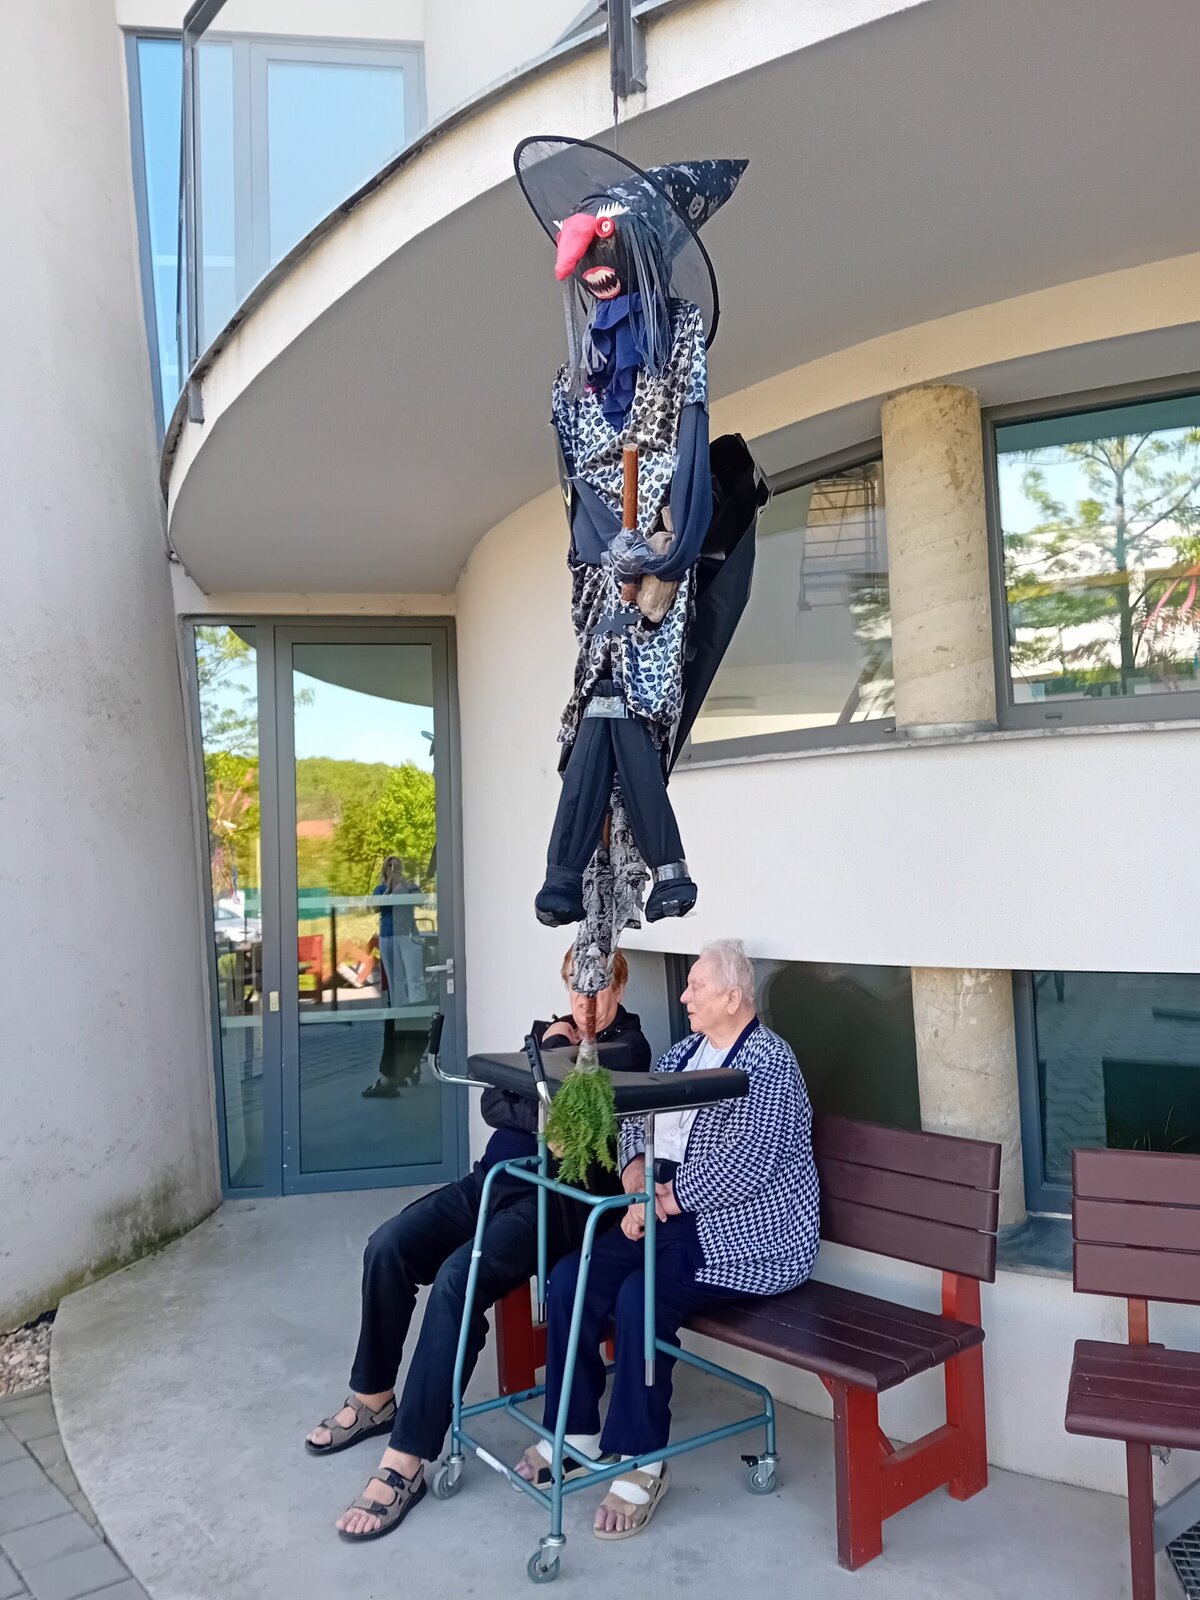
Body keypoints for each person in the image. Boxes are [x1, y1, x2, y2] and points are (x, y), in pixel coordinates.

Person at [306, 947, 650, 1543]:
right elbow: (494, 1101)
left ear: (618, 988)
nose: (585, 1003)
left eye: (597, 990)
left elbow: (579, 1113)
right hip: (489, 1182)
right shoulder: (547, 1033)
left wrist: (544, 1073)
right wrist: (544, 1074)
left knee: (457, 1282)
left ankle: (406, 1459)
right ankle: (373, 1396)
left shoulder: (630, 1048)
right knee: (387, 1247)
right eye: (576, 989)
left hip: (555, 1202)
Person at [516, 939, 819, 1541]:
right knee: (571, 1277)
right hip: (668, 1213)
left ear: (733, 997)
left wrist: (659, 1203)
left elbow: (748, 1164)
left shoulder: (771, 1063)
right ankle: (576, 1431)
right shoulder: (686, 1053)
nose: (684, 996)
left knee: (639, 1297)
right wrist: (634, 1176)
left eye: (696, 986)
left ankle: (642, 1459)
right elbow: (635, 1116)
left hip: (747, 1236)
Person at [362, 856, 427, 1099]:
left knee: (414, 979)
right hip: (388, 937)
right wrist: (390, 888)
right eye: (390, 866)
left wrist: (405, 886)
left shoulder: (408, 886)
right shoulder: (381, 889)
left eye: (397, 866)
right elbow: (376, 907)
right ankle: (399, 1005)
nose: (393, 869)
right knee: (395, 981)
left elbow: (421, 899)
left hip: (406, 935)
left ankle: (414, 1006)